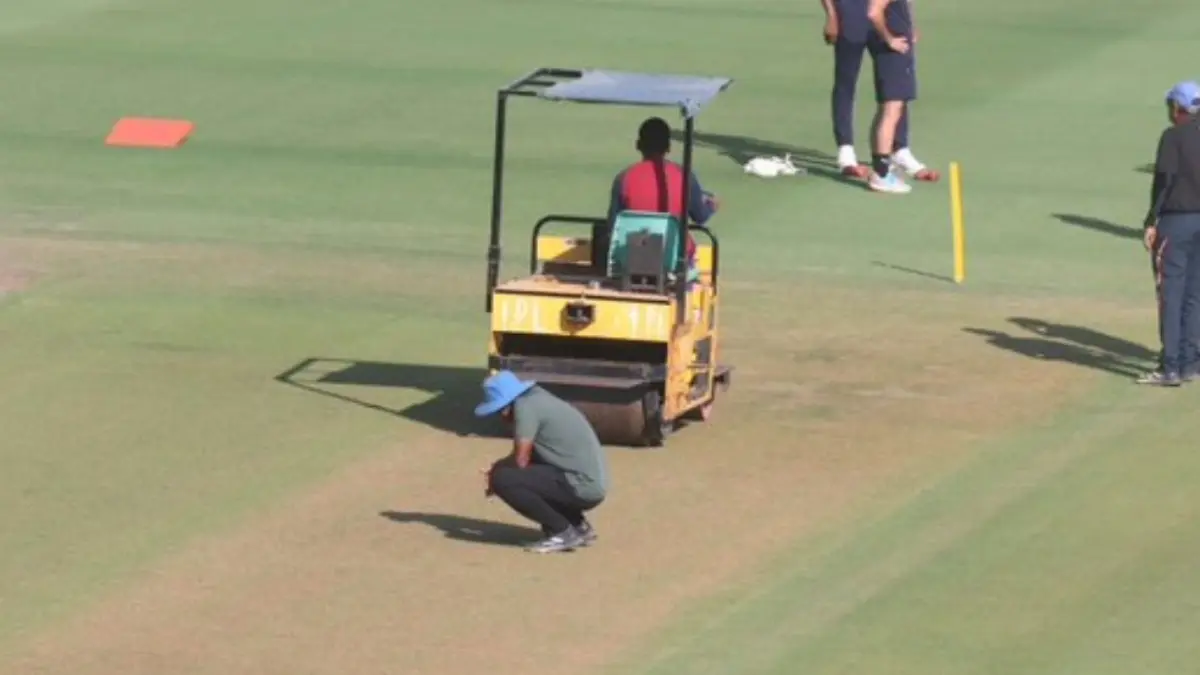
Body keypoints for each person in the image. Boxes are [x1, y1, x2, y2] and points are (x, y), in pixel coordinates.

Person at [475, 371, 610, 553]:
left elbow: (521, 460)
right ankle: (577, 526)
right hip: (589, 484)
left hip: (580, 486)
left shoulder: (525, 408)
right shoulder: (539, 398)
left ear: (505, 407)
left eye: (498, 411)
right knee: (531, 473)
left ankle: (562, 531)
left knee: (503, 478)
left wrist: (495, 470)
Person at [820, 0, 936, 183]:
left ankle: (900, 149)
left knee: (896, 82)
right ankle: (846, 151)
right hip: (849, 14)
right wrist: (832, 16)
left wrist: (910, 23)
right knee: (846, 81)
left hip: (886, 16)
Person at [1138, 81, 1200, 386]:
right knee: (1194, 294)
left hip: (1177, 223)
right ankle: (1191, 362)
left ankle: (1170, 367)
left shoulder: (1173, 137)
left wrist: (1151, 220)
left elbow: (1164, 181)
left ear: (1178, 109)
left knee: (1170, 295)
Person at [608, 117, 719, 266]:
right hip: (674, 260)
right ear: (668, 147)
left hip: (631, 258)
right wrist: (712, 206)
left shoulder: (623, 178)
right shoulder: (684, 176)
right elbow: (700, 216)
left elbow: (613, 223)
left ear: (638, 145)